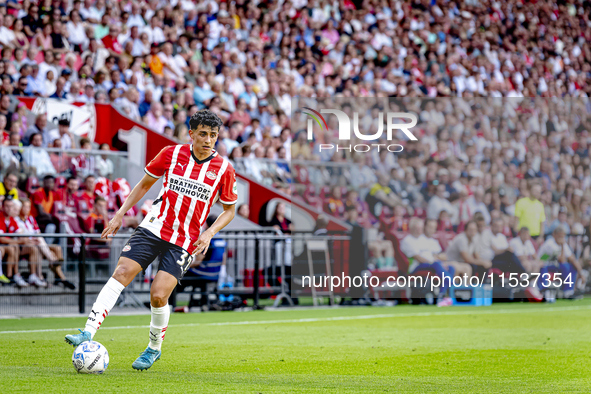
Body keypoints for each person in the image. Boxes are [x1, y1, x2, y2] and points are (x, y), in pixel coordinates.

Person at [64, 109, 238, 372]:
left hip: (184, 240)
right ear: (191, 134)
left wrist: (209, 232)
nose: (208, 139)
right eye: (203, 133)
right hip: (153, 227)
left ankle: (153, 348)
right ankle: (88, 332)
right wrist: (120, 214)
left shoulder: (224, 168)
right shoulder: (171, 154)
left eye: (213, 135)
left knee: (158, 296)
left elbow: (230, 209)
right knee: (122, 272)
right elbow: (144, 185)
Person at [19, 198, 74, 289]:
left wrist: (35, 239)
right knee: (39, 244)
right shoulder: (16, 219)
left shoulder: (31, 218)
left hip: (37, 243)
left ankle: (56, 276)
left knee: (56, 248)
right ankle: (58, 275)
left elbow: (38, 232)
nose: (27, 209)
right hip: (27, 245)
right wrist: (33, 240)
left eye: (28, 207)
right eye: (24, 206)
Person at [400, 218, 455, 306]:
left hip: (430, 265)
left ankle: (443, 294)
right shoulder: (407, 241)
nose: (418, 231)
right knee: (437, 264)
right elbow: (418, 258)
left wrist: (440, 263)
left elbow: (434, 255)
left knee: (450, 268)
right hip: (415, 267)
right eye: (416, 228)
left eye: (420, 228)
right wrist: (435, 263)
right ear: (411, 228)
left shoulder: (423, 240)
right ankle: (451, 290)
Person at [537, 226, 586, 297]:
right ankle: (546, 291)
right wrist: (562, 246)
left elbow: (573, 259)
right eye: (560, 236)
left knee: (572, 267)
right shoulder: (549, 244)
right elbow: (562, 260)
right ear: (554, 235)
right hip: (544, 265)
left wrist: (581, 273)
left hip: (555, 266)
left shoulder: (563, 243)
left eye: (563, 236)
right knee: (565, 266)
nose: (562, 238)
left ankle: (569, 291)